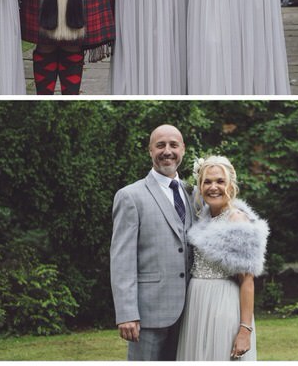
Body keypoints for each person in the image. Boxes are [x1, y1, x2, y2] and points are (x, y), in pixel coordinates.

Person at [110, 124, 193, 361]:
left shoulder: (193, 192)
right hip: (148, 314)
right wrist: (126, 313)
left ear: (183, 149)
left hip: (190, 314)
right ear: (150, 151)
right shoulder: (130, 196)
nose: (167, 151)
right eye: (160, 145)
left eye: (173, 145)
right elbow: (121, 259)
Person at [175, 156, 269, 361]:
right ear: (200, 185)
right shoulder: (204, 217)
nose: (213, 187)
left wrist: (245, 330)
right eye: (207, 181)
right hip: (196, 305)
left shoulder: (237, 219)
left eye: (220, 181)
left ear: (230, 185)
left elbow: (247, 281)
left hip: (222, 305)